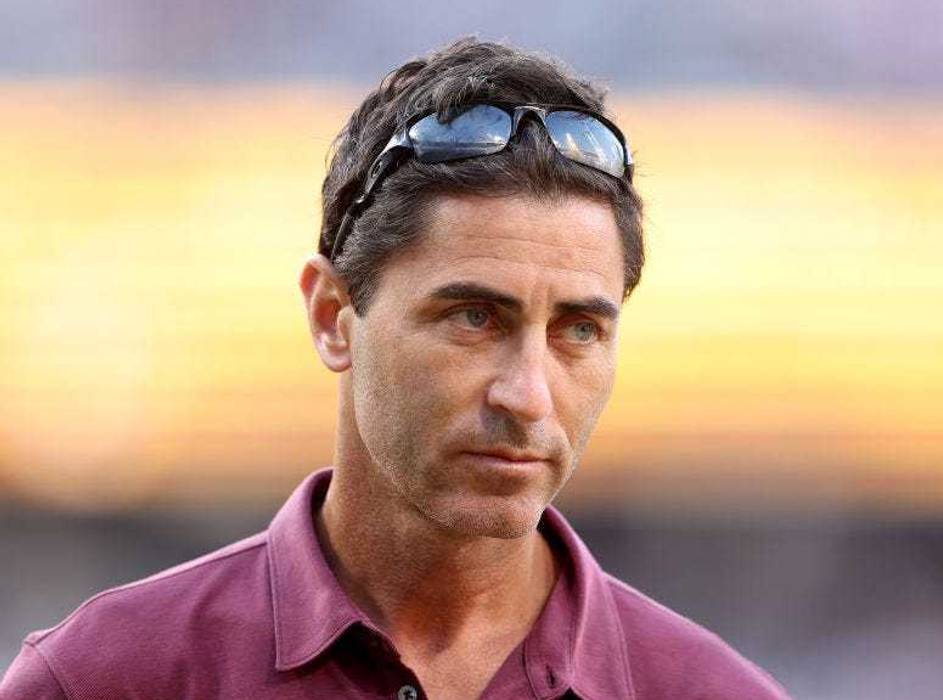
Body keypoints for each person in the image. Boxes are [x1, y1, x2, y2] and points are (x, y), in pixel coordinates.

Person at [0, 38, 789, 700]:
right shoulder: (107, 677)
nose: (528, 395)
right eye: (474, 318)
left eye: (577, 330)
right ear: (331, 316)